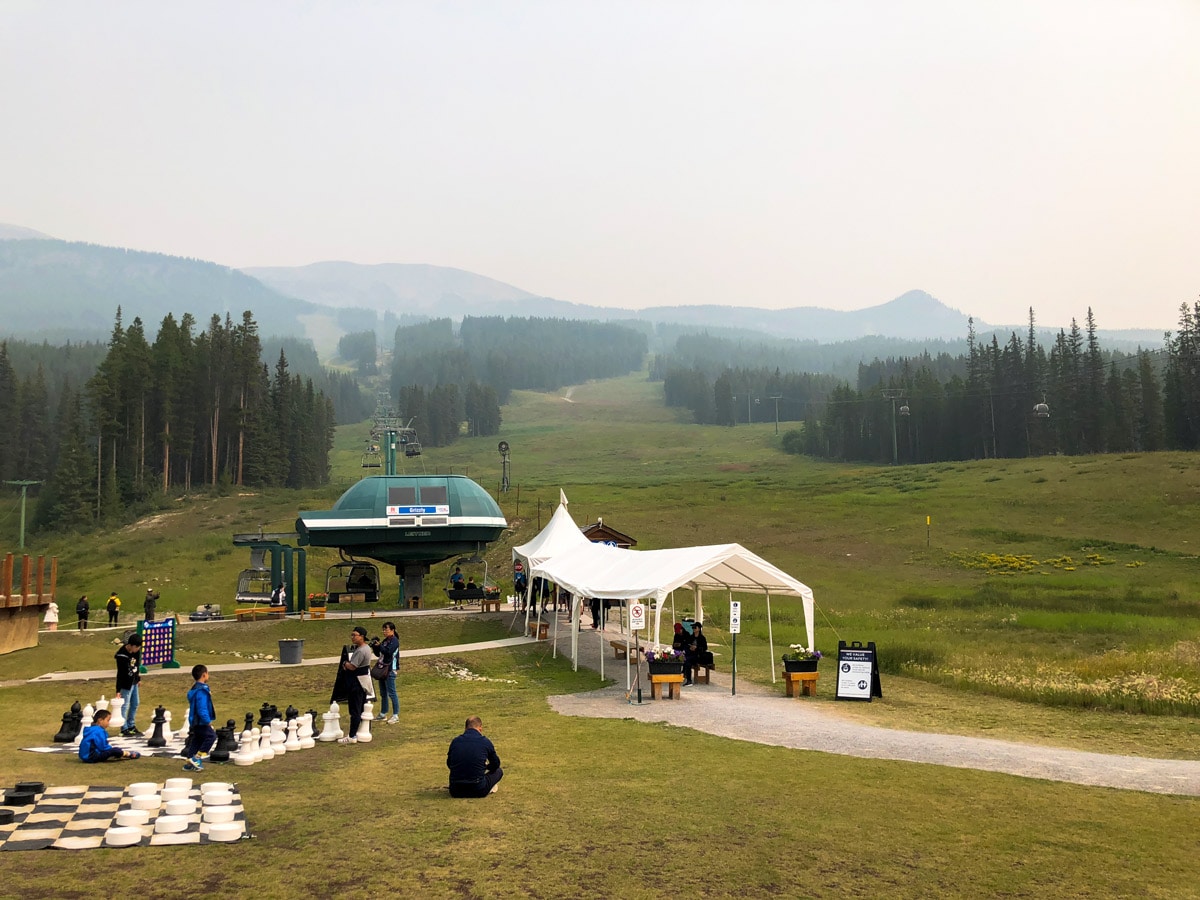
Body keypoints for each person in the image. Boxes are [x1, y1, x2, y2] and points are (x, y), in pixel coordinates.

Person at [446, 715, 503, 798]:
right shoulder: (485, 742)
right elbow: (496, 764)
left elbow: (449, 763)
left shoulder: (455, 742)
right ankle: (489, 787)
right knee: (498, 771)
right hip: (478, 789)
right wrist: (486, 767)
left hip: (456, 790)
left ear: (465, 728)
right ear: (480, 729)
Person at [338, 626, 374, 743]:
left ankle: (352, 735)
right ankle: (363, 730)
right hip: (363, 680)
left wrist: (345, 664)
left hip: (356, 682)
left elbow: (353, 666)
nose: (352, 637)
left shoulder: (361, 650)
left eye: (355, 635)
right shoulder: (367, 648)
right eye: (352, 635)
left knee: (355, 710)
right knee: (361, 707)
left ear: (362, 637)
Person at [180, 664, 216, 771]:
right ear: (204, 675)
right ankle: (197, 758)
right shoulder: (201, 691)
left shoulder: (194, 689)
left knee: (197, 740)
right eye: (207, 673)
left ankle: (189, 763)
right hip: (200, 721)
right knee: (211, 736)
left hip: (194, 721)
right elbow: (202, 708)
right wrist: (207, 720)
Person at [115, 633, 143, 737]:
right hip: (125, 683)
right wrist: (118, 690)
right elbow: (120, 674)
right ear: (131, 645)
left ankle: (131, 725)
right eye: (137, 647)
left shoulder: (136, 652)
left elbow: (136, 665)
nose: (138, 650)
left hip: (134, 681)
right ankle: (124, 727)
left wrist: (138, 678)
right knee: (125, 705)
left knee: (135, 703)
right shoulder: (121, 656)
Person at [377, 621, 400, 725]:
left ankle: (395, 715)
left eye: (386, 629)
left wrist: (380, 646)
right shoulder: (385, 641)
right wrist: (376, 646)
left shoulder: (394, 641)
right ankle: (383, 713)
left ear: (392, 630)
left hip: (390, 669)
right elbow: (379, 654)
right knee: (383, 693)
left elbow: (388, 652)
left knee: (392, 693)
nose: (384, 631)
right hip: (382, 669)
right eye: (383, 629)